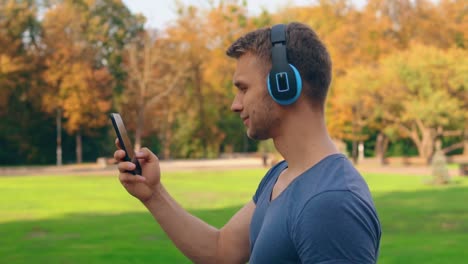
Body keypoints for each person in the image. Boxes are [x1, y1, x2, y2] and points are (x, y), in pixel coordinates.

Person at [114, 22, 381, 263]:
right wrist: (153, 193)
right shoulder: (281, 175)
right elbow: (221, 250)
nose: (235, 105)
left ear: (283, 85)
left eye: (243, 88)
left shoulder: (331, 202)